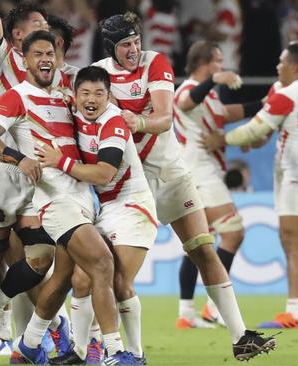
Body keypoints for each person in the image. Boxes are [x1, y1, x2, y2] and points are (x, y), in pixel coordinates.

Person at [94, 12, 276, 361]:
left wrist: (138, 119)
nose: (134, 50)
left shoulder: (155, 63)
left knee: (203, 248)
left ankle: (241, 337)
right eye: (125, 45)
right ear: (110, 48)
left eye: (136, 42)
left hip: (172, 174)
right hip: (133, 186)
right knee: (115, 273)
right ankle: (122, 350)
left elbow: (164, 119)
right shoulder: (100, 75)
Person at [0, 3, 71, 364]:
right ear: (19, 44)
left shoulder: (61, 88)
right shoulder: (3, 63)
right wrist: (19, 157)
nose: (46, 52)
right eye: (37, 28)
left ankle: (3, 309)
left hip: (33, 184)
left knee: (40, 257)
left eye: (51, 49)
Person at [203, 43, 298, 330]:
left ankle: (296, 312)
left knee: (292, 242)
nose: (277, 67)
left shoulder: (287, 93)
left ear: (294, 66)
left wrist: (221, 140)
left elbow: (255, 129)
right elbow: (265, 133)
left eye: (281, 62)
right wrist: (255, 139)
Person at [38, 65, 158, 365]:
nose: (91, 99)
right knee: (81, 279)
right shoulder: (75, 112)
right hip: (105, 209)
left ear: (109, 97)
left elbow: (104, 173)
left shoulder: (113, 122)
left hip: (133, 207)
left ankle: (135, 355)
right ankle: (79, 352)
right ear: (76, 95)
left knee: (117, 281)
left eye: (99, 93)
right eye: (85, 93)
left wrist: (60, 161)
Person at [173, 40, 263, 329]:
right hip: (200, 173)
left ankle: (186, 313)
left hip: (205, 172)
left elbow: (231, 113)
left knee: (198, 243)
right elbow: (188, 103)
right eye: (218, 61)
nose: (223, 67)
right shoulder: (186, 91)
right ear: (205, 63)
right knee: (234, 233)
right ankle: (214, 306)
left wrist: (268, 104)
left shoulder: (211, 100)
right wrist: (214, 79)